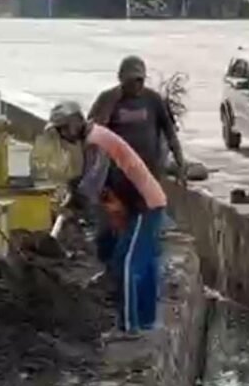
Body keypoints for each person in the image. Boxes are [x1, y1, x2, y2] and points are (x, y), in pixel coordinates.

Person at [47, 102, 167, 335]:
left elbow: (93, 181)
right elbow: (93, 178)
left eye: (63, 129)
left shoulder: (96, 141)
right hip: (140, 202)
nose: (62, 135)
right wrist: (75, 192)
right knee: (137, 262)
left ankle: (130, 329)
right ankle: (145, 322)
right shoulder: (95, 138)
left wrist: (74, 205)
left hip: (143, 203)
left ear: (76, 123)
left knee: (128, 264)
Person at [89, 56, 186, 182]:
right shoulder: (107, 98)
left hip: (148, 168)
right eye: (131, 81)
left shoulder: (153, 99)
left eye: (140, 80)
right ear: (121, 78)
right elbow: (93, 132)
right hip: (118, 169)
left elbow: (170, 133)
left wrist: (180, 164)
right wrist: (108, 106)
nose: (136, 85)